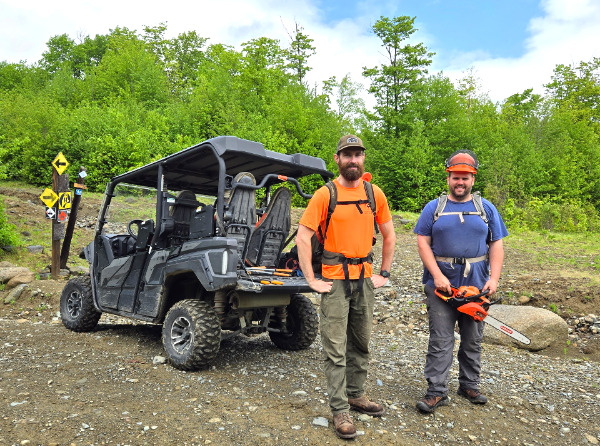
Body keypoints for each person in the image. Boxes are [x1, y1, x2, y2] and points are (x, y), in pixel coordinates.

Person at [296, 134, 396, 440]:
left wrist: (385, 273)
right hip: (335, 280)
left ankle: (357, 395)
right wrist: (311, 280)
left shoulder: (373, 193)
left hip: (365, 279)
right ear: (337, 159)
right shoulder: (325, 194)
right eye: (347, 154)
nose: (353, 160)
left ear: (363, 158)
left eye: (358, 154)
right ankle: (340, 410)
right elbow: (302, 236)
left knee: (361, 342)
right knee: (335, 348)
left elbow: (389, 235)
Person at [413, 150, 509, 413]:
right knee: (441, 339)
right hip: (441, 288)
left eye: (465, 178)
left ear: (472, 179)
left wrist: (494, 278)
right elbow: (423, 242)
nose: (460, 182)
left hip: (476, 285)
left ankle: (469, 384)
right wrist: (437, 275)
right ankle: (436, 390)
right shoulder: (434, 208)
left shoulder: (486, 208)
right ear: (449, 178)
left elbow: (496, 244)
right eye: (456, 177)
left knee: (472, 338)